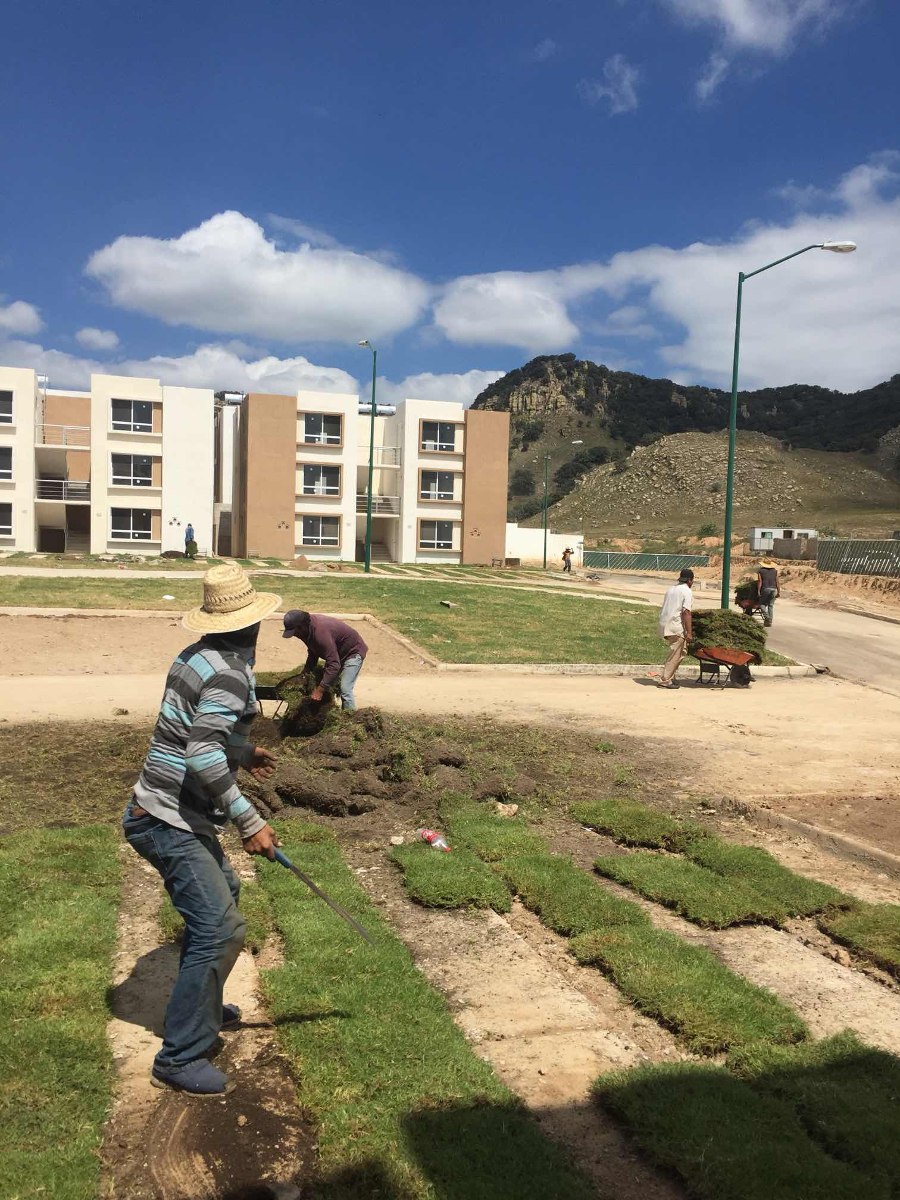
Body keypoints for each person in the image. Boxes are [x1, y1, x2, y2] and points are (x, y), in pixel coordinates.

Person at [122, 562, 282, 1096]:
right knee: (219, 928)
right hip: (168, 819)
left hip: (160, 807)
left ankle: (203, 1006)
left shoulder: (196, 656)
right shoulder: (233, 673)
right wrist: (251, 821)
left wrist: (243, 749)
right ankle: (181, 1055)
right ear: (253, 623)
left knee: (225, 899)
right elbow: (200, 755)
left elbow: (190, 731)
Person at [282, 609, 368, 712]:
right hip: (336, 653)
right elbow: (313, 653)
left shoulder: (320, 634)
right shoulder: (305, 631)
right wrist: (305, 674)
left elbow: (334, 665)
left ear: (301, 626)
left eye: (294, 632)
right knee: (327, 681)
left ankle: (350, 719)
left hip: (352, 653)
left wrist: (320, 690)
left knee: (345, 689)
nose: (294, 635)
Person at [656, 568, 694, 689]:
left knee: (682, 651)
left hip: (665, 623)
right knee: (675, 654)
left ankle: (671, 676)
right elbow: (686, 612)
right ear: (689, 580)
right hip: (675, 625)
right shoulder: (686, 591)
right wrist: (689, 632)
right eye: (692, 580)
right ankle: (665, 680)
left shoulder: (671, 589)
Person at [756, 557, 780, 627]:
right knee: (770, 605)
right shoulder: (775, 571)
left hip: (765, 588)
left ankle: (767, 617)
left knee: (761, 604)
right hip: (774, 589)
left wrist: (758, 591)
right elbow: (777, 582)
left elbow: (760, 581)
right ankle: (770, 621)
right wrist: (778, 592)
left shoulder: (761, 571)